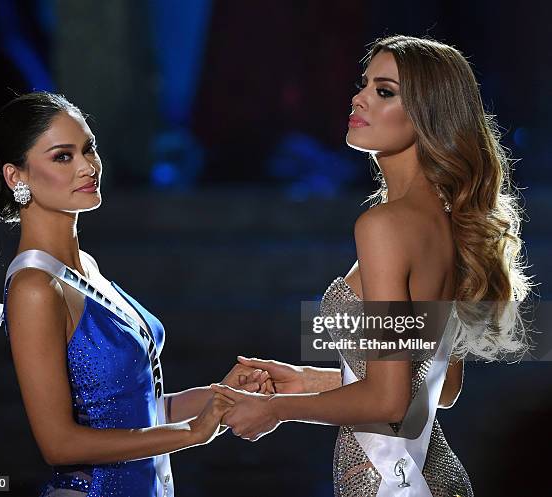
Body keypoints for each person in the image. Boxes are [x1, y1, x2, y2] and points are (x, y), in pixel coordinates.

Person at [212, 35, 534, 496]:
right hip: (431, 475)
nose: (358, 97)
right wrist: (305, 381)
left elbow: (388, 399)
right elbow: (438, 389)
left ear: (429, 113)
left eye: (384, 91)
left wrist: (277, 410)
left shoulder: (384, 226)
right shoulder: (448, 221)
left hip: (391, 483)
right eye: (364, 84)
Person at [0, 92, 272, 497]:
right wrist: (192, 433)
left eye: (88, 148)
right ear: (15, 177)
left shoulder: (85, 267)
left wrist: (218, 398)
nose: (87, 166)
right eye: (63, 156)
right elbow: (59, 445)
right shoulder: (35, 287)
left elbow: (132, 411)